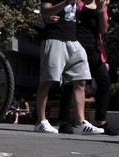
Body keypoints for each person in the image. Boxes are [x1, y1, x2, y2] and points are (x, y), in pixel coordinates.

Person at [34, 0, 104, 134]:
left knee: (81, 80)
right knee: (47, 80)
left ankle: (80, 123)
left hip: (73, 41)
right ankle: (40, 121)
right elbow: (44, 11)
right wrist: (65, 2)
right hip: (54, 38)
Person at [57, 0, 116, 135]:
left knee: (104, 81)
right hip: (76, 45)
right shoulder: (77, 3)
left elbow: (104, 29)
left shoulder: (102, 5)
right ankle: (64, 122)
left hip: (94, 49)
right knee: (71, 83)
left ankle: (101, 121)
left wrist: (101, 9)